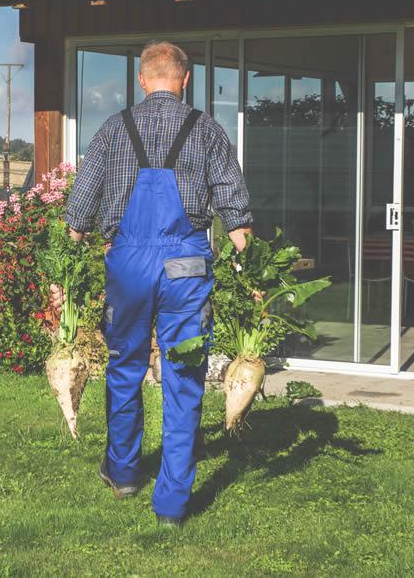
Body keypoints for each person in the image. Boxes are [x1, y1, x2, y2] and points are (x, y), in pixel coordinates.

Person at [62, 40, 253, 527]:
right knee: (183, 375)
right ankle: (172, 504)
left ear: (142, 80)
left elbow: (78, 214)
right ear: (185, 80)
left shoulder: (114, 128)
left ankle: (124, 472)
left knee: (124, 367)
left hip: (128, 264)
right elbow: (237, 219)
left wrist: (69, 254)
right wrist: (249, 263)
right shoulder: (206, 129)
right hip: (185, 266)